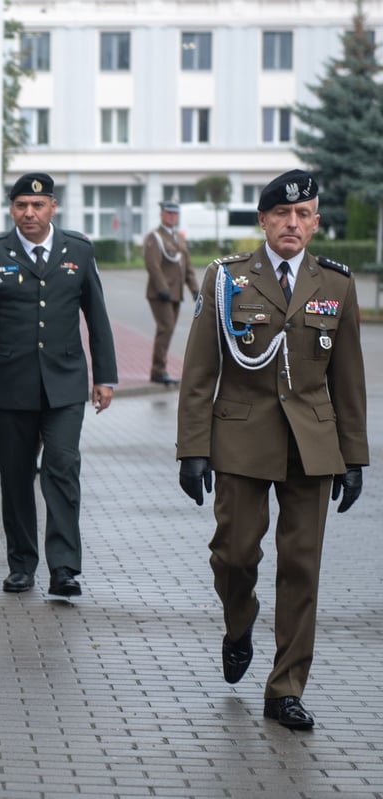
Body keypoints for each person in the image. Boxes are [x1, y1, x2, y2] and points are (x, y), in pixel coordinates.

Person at [176, 169, 368, 731]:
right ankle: (239, 623)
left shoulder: (335, 285)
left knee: (302, 568)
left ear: (314, 222)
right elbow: (198, 371)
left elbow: (349, 378)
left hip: (311, 443)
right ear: (263, 220)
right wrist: (193, 448)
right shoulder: (227, 278)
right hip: (239, 436)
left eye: (303, 214)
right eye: (282, 214)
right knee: (234, 555)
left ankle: (284, 689)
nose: (292, 223)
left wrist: (354, 457)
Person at [0, 172, 118, 598]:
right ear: (12, 209)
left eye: (38, 205)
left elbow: (96, 317)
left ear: (52, 208)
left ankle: (64, 568)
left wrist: (105, 376)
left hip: (65, 385)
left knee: (63, 469)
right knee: (16, 476)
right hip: (10, 385)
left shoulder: (77, 251)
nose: (30, 213)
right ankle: (22, 564)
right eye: (22, 205)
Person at [144, 201, 199, 384]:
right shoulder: (155, 237)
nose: (172, 217)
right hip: (161, 294)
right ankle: (158, 370)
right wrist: (162, 288)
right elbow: (153, 265)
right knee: (165, 328)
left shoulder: (178, 238)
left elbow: (187, 266)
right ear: (162, 215)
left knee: (169, 330)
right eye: (169, 214)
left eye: (175, 214)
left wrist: (195, 289)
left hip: (175, 293)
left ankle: (160, 369)